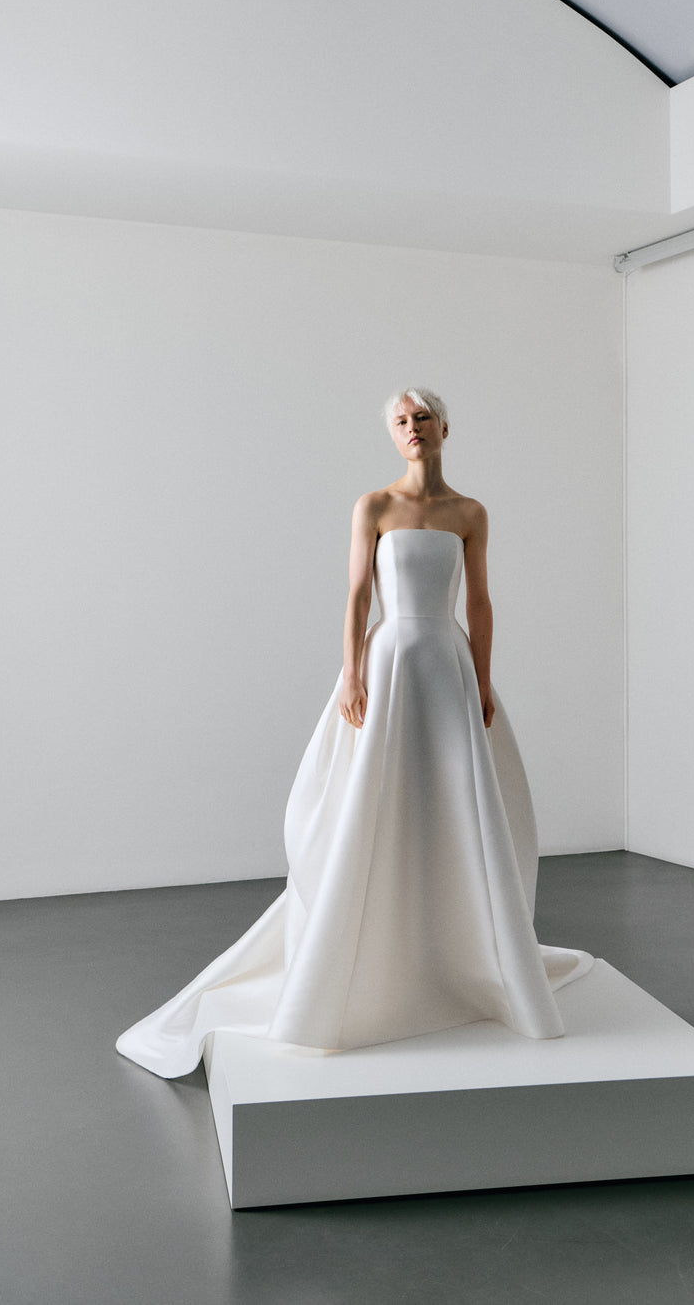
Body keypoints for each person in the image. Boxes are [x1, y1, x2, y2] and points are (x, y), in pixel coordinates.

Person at [116, 389, 591, 1077]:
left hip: (446, 664)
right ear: (392, 436)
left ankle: (459, 952)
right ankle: (371, 953)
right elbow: (358, 596)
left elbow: (481, 601)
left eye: (422, 418)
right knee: (375, 796)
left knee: (457, 801)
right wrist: (352, 671)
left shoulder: (469, 512)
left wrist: (483, 680)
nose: (412, 429)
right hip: (390, 658)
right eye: (401, 422)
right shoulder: (374, 505)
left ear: (444, 426)